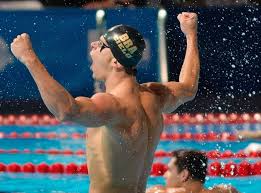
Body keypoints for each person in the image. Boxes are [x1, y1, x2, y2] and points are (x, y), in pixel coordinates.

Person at [10, 12, 200, 193]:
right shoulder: (155, 97)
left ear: (116, 62)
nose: (93, 45)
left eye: (101, 45)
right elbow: (188, 87)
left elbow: (66, 110)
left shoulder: (113, 104)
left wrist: (29, 58)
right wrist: (190, 34)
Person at [146, 150, 240, 193]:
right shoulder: (227, 190)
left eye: (169, 170)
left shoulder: (161, 192)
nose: (165, 175)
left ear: (184, 175)